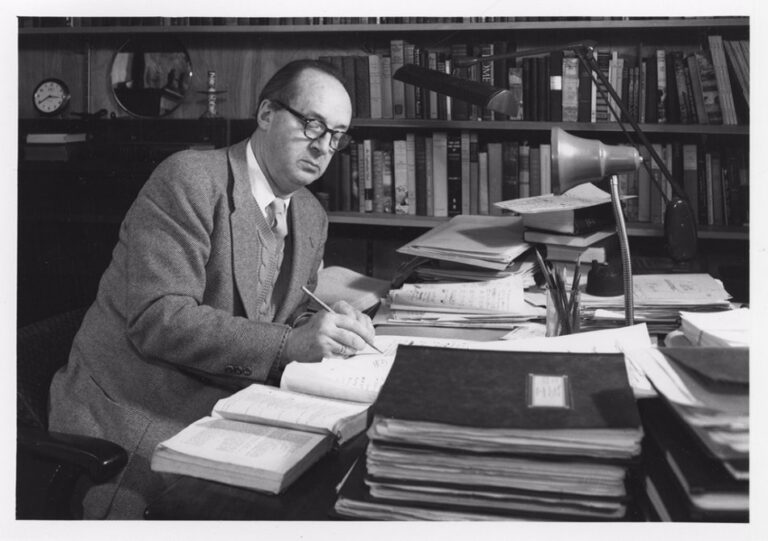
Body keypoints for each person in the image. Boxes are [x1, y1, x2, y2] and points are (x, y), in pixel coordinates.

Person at [48, 59, 375, 519]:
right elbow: (159, 320)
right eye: (312, 124)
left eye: (337, 135)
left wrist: (326, 327)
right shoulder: (189, 180)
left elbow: (291, 310)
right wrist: (291, 343)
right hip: (137, 406)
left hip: (229, 401)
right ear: (265, 114)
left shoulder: (309, 213)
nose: (324, 147)